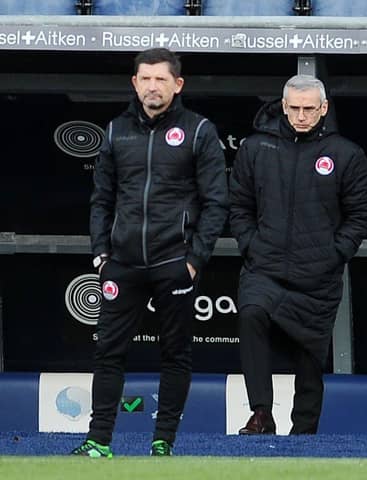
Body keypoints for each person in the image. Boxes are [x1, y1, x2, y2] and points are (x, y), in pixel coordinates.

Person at [71, 48, 229, 457]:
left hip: (173, 263)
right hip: (121, 264)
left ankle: (163, 441)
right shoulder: (114, 130)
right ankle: (98, 441)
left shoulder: (198, 131)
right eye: (145, 79)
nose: (152, 86)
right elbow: (101, 199)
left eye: (161, 79)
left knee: (175, 354)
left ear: (178, 85)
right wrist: (100, 255)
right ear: (134, 83)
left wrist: (194, 260)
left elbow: (216, 202)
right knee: (108, 353)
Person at [229, 74, 367, 435]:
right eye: (294, 108)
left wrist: (334, 253)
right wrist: (250, 244)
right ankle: (261, 414)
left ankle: (304, 431)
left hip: (318, 274)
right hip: (264, 265)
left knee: (310, 356)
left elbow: (361, 215)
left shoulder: (346, 154)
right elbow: (239, 205)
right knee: (251, 315)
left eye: (309, 108)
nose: (301, 115)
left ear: (323, 108)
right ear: (283, 106)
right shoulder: (256, 147)